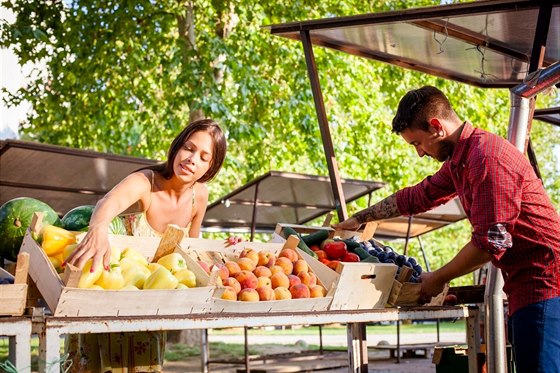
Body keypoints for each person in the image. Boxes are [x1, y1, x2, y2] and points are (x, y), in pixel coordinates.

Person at [333, 86, 560, 373]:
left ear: (437, 127)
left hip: (545, 284)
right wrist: (361, 217)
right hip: (523, 284)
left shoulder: (486, 158)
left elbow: (491, 241)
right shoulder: (462, 158)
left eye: (418, 143)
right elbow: (420, 195)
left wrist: (437, 278)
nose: (419, 154)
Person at [65, 118, 227, 373]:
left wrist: (223, 252)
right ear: (176, 148)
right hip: (108, 300)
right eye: (189, 147)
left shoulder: (200, 196)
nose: (192, 158)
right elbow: (109, 202)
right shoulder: (146, 182)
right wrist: (98, 229)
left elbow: (191, 252)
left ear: (210, 167)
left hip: (151, 309)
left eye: (204, 157)